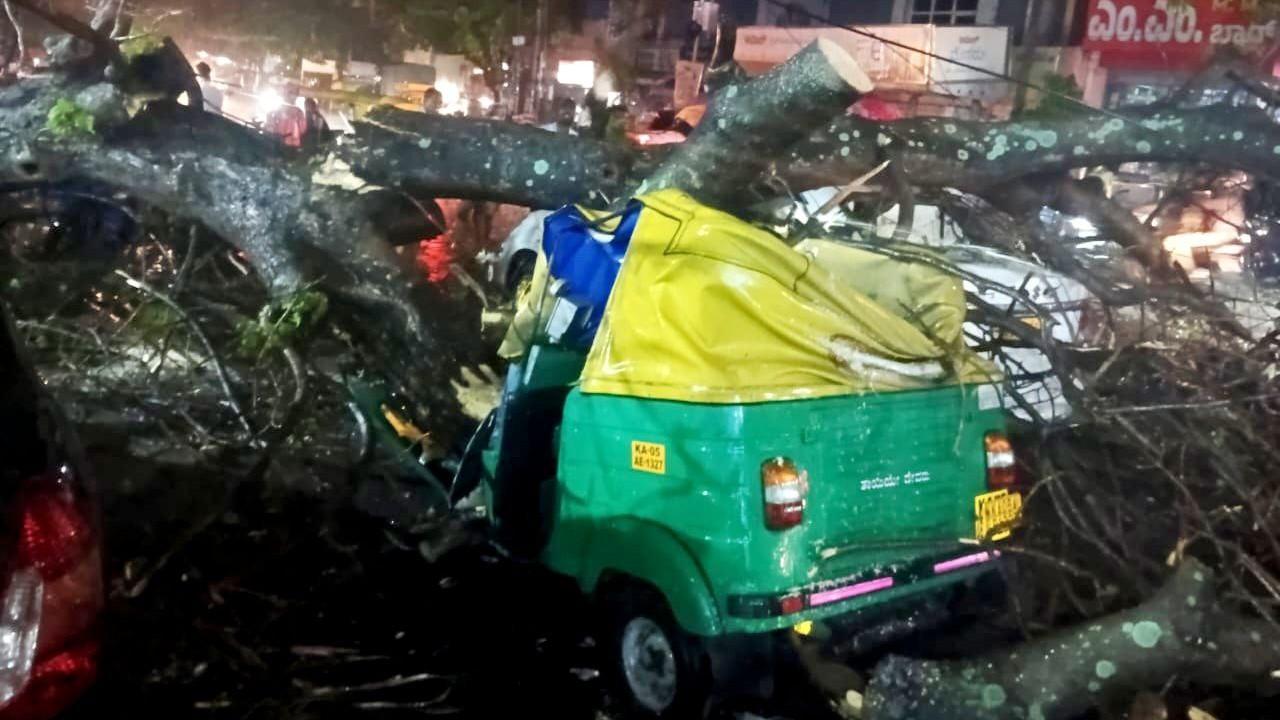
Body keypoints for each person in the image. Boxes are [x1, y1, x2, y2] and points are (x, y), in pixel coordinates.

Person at [264, 83, 306, 148]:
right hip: (278, 144)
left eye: (292, 93)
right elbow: (269, 128)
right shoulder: (276, 111)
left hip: (291, 146)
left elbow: (302, 130)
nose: (289, 95)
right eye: (288, 92)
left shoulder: (298, 113)